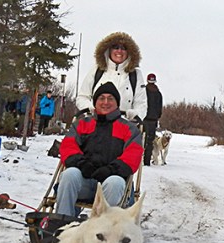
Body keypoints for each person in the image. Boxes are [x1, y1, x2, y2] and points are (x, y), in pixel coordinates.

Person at [54, 82, 143, 218]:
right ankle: (63, 222)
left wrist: (111, 170)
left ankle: (103, 227)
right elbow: (68, 147)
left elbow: (133, 155)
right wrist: (81, 164)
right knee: (69, 175)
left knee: (115, 182)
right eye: (101, 98)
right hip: (84, 181)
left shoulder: (129, 129)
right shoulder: (82, 124)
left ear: (117, 103)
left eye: (110, 98)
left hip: (111, 185)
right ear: (95, 102)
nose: (105, 102)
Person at [77, 32, 147, 121]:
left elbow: (141, 104)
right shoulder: (97, 70)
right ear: (108, 50)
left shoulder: (135, 75)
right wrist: (90, 109)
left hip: (124, 125)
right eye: (115, 47)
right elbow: (82, 97)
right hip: (97, 124)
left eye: (124, 48)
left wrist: (135, 114)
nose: (119, 51)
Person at [142, 73, 162, 166]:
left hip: (144, 119)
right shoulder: (158, 93)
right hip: (153, 120)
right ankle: (147, 161)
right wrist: (157, 117)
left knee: (142, 140)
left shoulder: (143, 92)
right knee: (150, 142)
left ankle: (139, 160)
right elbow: (159, 108)